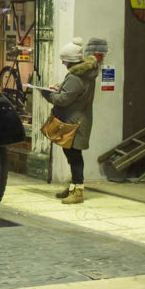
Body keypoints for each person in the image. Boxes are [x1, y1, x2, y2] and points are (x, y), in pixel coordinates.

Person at [43, 37, 99, 204]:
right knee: (72, 155)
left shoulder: (76, 77)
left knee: (74, 157)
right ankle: (73, 188)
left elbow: (63, 100)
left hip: (75, 123)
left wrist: (46, 93)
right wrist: (59, 88)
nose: (63, 63)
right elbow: (71, 93)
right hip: (79, 120)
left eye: (64, 60)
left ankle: (78, 192)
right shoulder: (85, 74)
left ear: (71, 62)